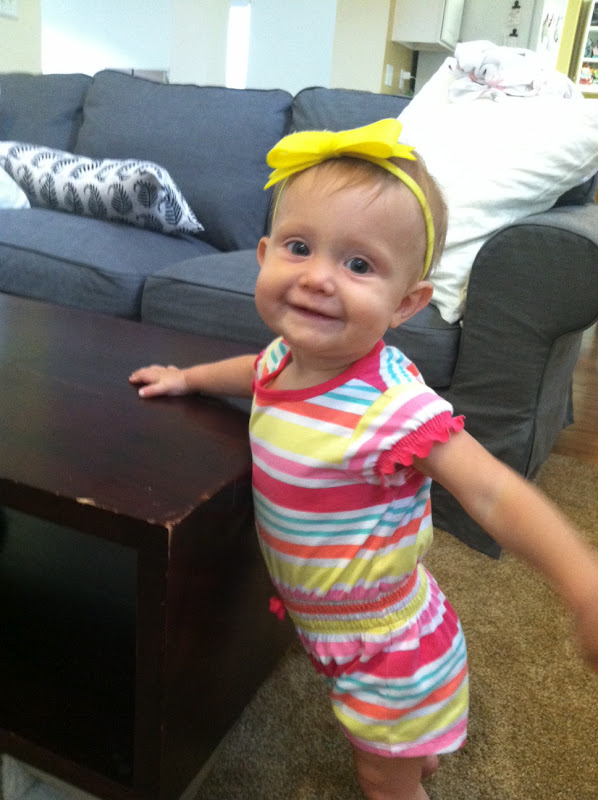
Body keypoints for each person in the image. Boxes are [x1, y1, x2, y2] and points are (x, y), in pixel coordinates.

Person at [129, 119, 598, 800]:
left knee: (384, 780)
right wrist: (188, 378)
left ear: (406, 303)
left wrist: (582, 580)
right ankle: (417, 748)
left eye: (358, 265)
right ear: (262, 255)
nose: (318, 277)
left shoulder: (392, 407)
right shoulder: (286, 357)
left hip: (387, 648)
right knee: (401, 751)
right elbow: (252, 372)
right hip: (329, 627)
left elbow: (493, 492)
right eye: (299, 247)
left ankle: (407, 762)